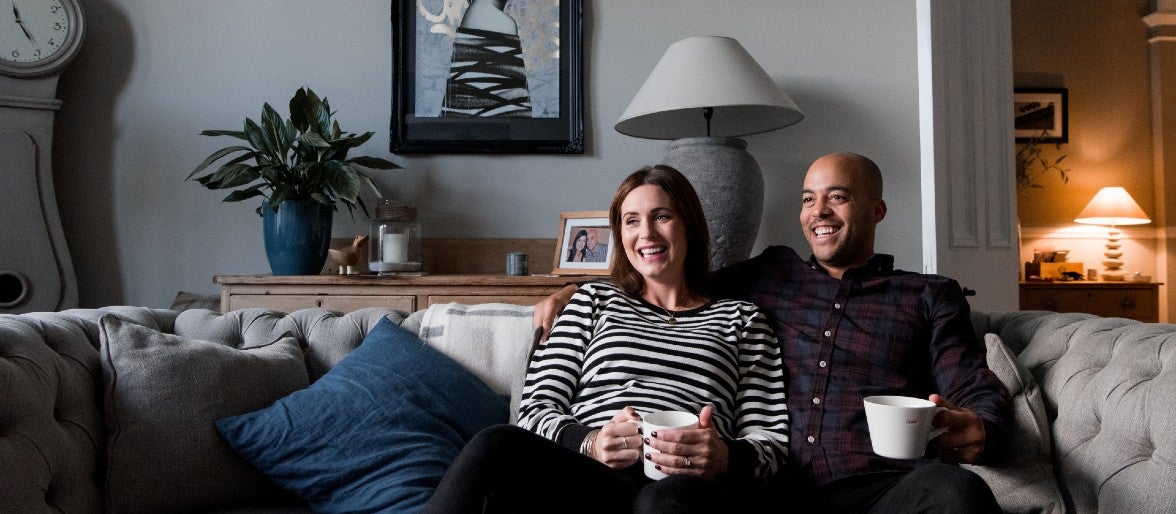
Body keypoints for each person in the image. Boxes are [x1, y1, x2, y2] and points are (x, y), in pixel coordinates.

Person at [534, 153, 1010, 513]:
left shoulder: (926, 295)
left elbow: (970, 384)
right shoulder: (768, 276)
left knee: (958, 491)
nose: (819, 211)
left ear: (878, 209)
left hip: (884, 483)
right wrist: (576, 291)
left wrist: (981, 429)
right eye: (809, 199)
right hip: (776, 492)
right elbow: (666, 276)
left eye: (838, 196)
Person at [423, 164, 789, 513]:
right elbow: (533, 413)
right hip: (590, 481)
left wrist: (725, 456)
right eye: (632, 221)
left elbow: (771, 443)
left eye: (661, 216)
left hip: (686, 488)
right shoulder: (593, 301)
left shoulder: (743, 319)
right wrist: (591, 442)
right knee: (495, 444)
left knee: (661, 501)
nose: (646, 234)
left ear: (689, 225)